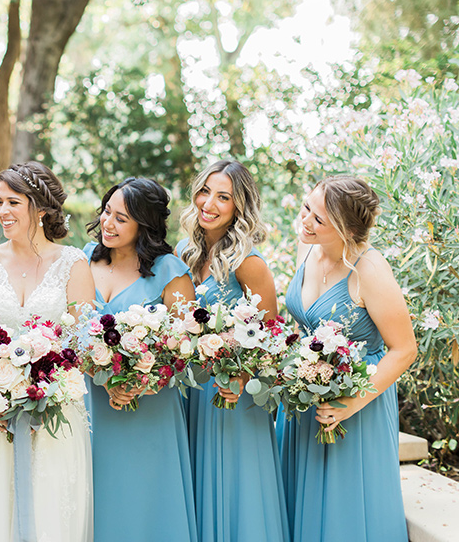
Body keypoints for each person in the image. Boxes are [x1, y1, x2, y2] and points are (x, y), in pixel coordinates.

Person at [0, 161, 95, 542]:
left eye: (13, 202)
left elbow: (79, 347)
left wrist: (47, 392)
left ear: (42, 208)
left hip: (55, 413)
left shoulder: (73, 263)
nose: (2, 211)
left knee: (52, 513)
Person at [279, 176, 416, 542]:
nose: (305, 221)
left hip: (358, 403)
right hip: (305, 398)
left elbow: (404, 349)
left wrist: (349, 403)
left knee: (347, 512)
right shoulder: (307, 247)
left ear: (346, 229)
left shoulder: (369, 269)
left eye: (318, 219)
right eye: (306, 207)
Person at [177, 160, 289, 542]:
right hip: (191, 392)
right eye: (205, 191)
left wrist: (240, 377)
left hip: (233, 395)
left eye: (223, 197)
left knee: (237, 490)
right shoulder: (183, 253)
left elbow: (272, 336)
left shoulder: (250, 264)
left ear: (239, 206)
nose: (209, 203)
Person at [85, 177, 198, 541]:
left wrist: (139, 384)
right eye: (106, 212)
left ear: (143, 225)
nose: (107, 223)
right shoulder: (83, 260)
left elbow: (185, 349)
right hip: (91, 405)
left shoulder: (170, 272)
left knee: (145, 506)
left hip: (148, 408)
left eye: (121, 218)